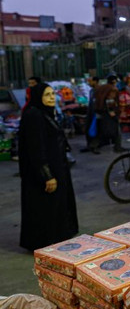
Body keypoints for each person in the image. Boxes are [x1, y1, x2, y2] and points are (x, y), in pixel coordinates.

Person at [18, 83, 78, 251]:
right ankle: (43, 243)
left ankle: (53, 240)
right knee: (44, 208)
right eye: (47, 95)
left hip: (56, 167)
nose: (52, 98)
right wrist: (47, 176)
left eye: (53, 94)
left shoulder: (45, 114)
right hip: (44, 173)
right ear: (38, 97)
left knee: (53, 207)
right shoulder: (34, 116)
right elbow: (36, 149)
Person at [93, 75, 124, 153]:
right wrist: (112, 112)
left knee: (100, 130)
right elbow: (110, 101)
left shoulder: (101, 87)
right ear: (114, 81)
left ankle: (95, 146)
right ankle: (117, 147)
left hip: (99, 111)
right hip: (108, 113)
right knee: (117, 130)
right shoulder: (112, 89)